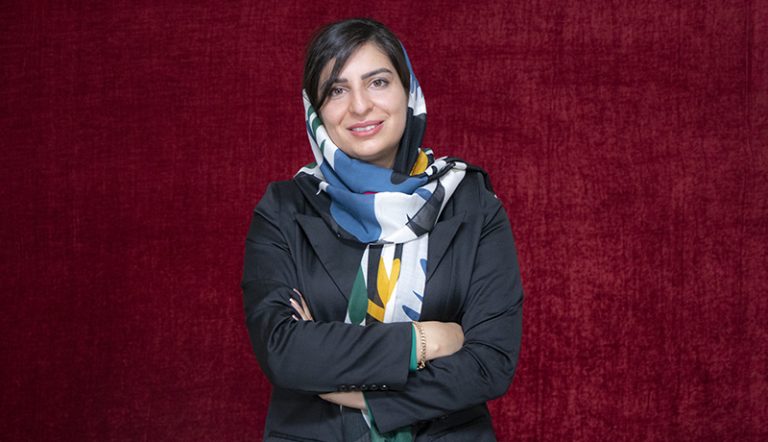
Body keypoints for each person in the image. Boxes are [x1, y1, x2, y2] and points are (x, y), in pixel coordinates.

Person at [242, 17, 524, 441]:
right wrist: (423, 341)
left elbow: (489, 364)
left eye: (377, 82)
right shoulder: (283, 208)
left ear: (407, 90)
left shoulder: (470, 202)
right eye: (336, 90)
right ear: (316, 110)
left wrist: (363, 396)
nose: (360, 106)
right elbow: (284, 350)